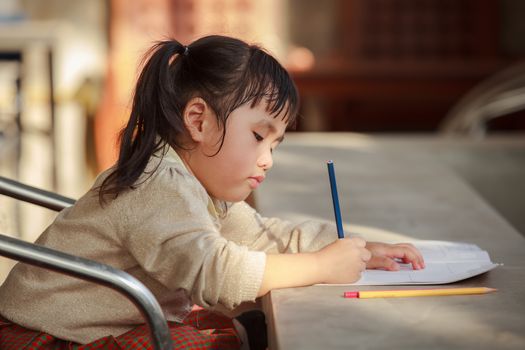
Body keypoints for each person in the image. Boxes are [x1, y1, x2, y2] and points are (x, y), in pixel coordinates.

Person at [0, 35, 425, 349]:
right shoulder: (160, 185)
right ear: (199, 121)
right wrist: (319, 267)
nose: (268, 159)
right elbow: (217, 275)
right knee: (206, 337)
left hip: (100, 325)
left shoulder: (200, 185)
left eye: (275, 145)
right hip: (44, 338)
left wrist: (359, 246)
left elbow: (261, 236)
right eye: (259, 136)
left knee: (219, 328)